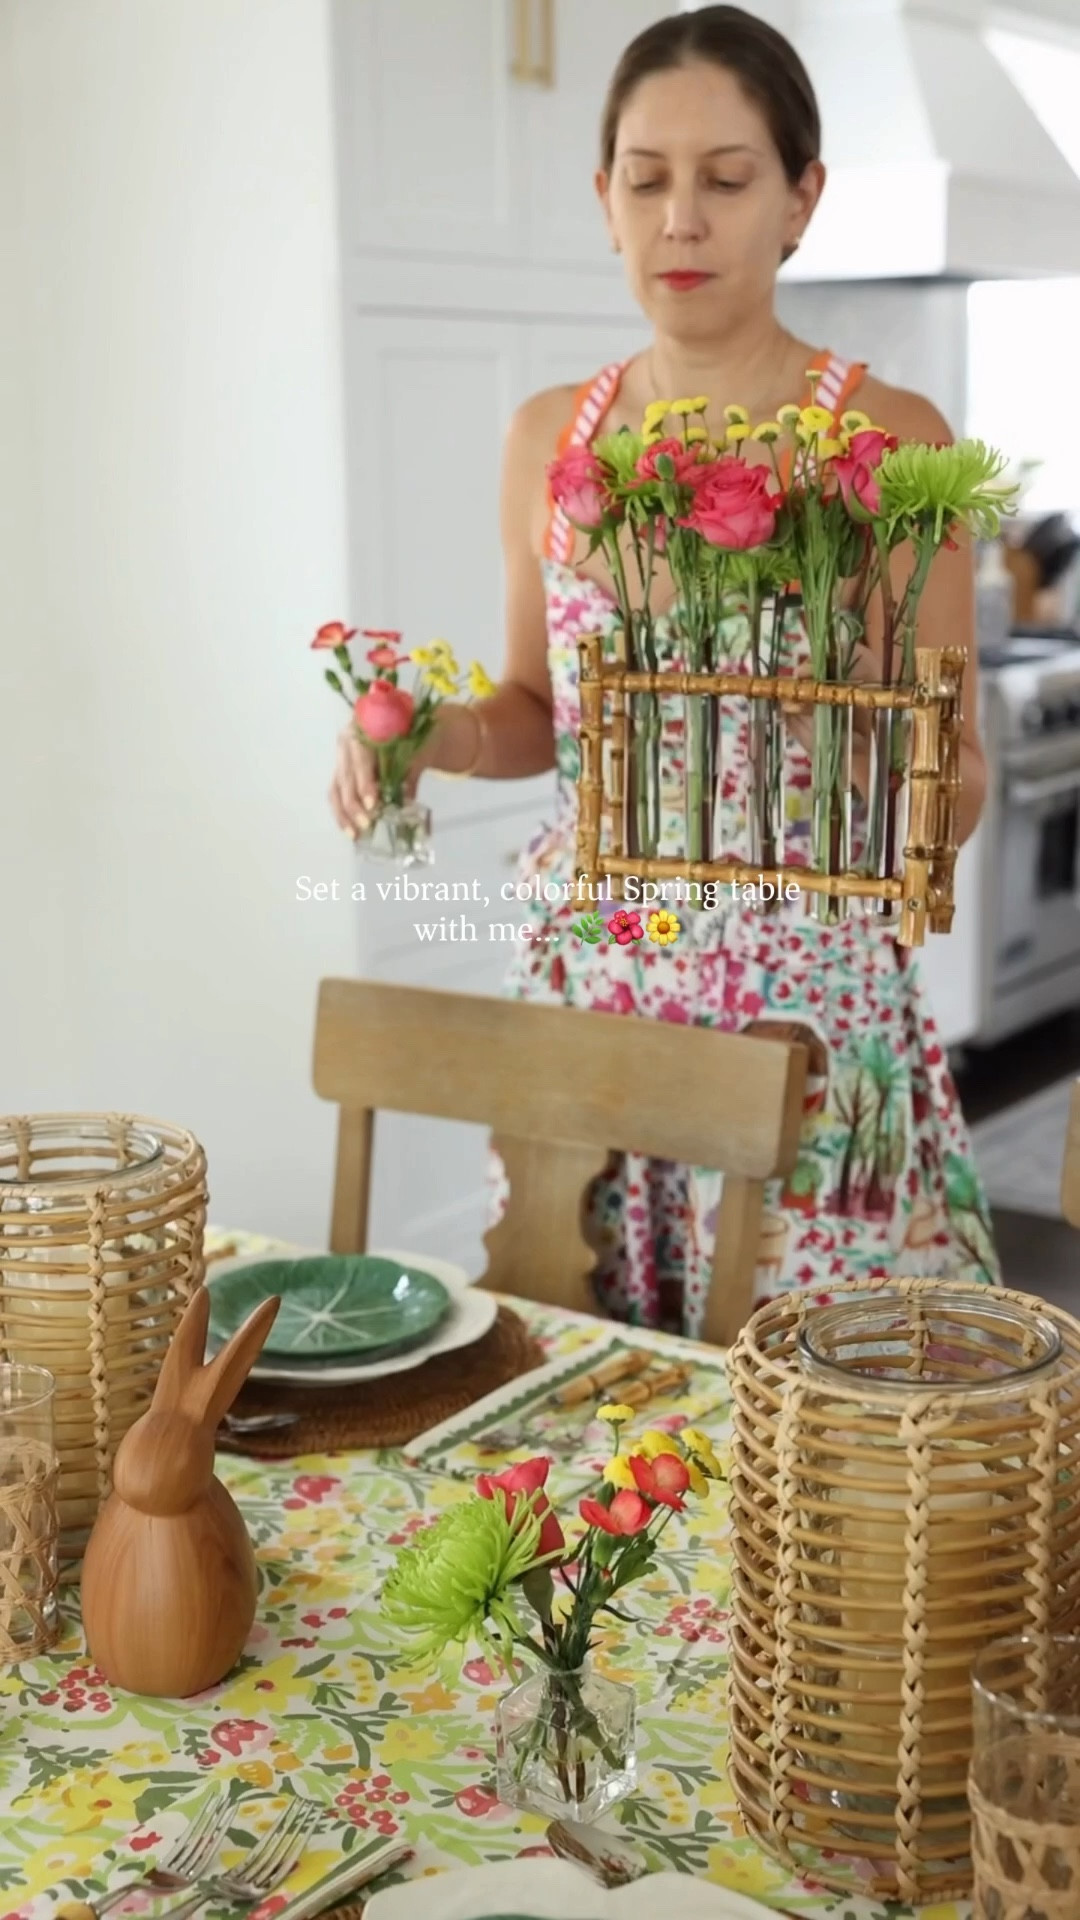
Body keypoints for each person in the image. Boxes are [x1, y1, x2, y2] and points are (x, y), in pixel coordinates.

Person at [328, 5, 1000, 1337]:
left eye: (727, 179)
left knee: (815, 1425)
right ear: (605, 200)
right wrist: (423, 739)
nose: (680, 219)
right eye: (646, 180)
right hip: (598, 992)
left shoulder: (886, 440)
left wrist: (884, 728)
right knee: (599, 1388)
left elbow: (960, 775)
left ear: (802, 200)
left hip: (803, 1020)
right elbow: (539, 715)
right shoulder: (547, 439)